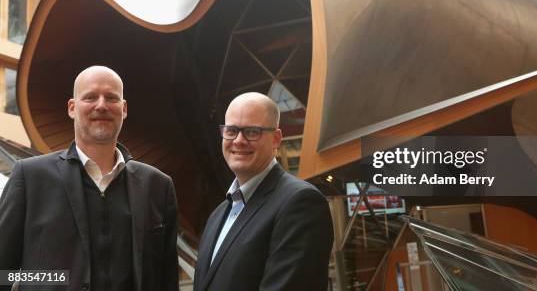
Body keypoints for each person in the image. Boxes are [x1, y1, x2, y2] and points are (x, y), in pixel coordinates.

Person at [0, 66, 179, 291]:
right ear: (72, 108)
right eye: (90, 97)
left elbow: (167, 281)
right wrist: (52, 279)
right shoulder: (30, 177)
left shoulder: (158, 186)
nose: (101, 105)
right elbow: (3, 273)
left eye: (111, 98)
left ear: (123, 109)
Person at [194, 92, 334, 291]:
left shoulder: (300, 203)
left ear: (276, 139)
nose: (239, 140)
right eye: (231, 130)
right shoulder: (217, 215)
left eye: (252, 132)